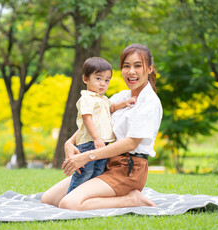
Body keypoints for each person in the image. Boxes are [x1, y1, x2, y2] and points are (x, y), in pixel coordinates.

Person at [41, 43, 163, 210]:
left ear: (149, 69)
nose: (131, 71)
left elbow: (131, 143)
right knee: (49, 199)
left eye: (137, 66)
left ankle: (132, 200)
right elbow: (97, 122)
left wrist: (88, 156)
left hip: (128, 169)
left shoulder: (149, 102)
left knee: (68, 204)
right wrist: (69, 143)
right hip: (104, 162)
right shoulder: (121, 96)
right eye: (126, 66)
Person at [67, 57, 137, 194]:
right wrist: (96, 137)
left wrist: (126, 103)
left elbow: (111, 108)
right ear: (85, 79)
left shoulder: (103, 99)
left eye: (107, 80)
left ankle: (88, 197)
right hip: (90, 143)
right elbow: (87, 118)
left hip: (103, 144)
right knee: (84, 173)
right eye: (98, 79)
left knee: (98, 173)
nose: (103, 84)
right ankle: (71, 197)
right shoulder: (87, 98)